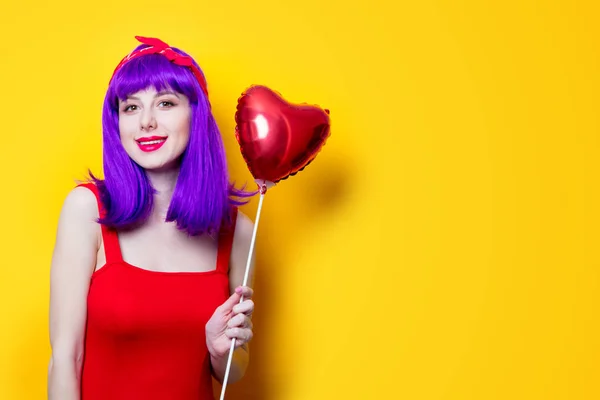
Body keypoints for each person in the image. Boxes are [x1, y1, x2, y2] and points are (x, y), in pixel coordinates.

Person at [47, 36, 257, 399]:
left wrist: (221, 350)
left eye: (165, 103)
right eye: (130, 108)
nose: (146, 122)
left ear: (197, 113)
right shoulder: (87, 211)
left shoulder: (238, 232)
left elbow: (232, 373)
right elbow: (66, 357)